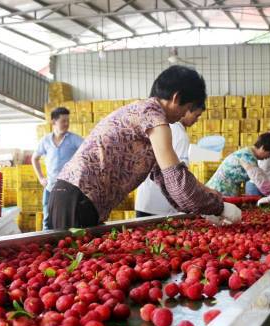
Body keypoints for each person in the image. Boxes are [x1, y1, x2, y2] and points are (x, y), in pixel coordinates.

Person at [48, 65, 241, 229]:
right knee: (71, 264)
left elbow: (167, 181)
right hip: (76, 199)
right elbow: (176, 178)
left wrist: (206, 199)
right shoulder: (154, 117)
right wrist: (219, 207)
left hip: (76, 198)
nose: (183, 115)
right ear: (176, 98)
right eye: (186, 107)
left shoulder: (145, 115)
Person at [134, 102, 204, 217]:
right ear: (186, 110)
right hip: (159, 206)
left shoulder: (163, 127)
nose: (197, 120)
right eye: (196, 115)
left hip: (145, 200)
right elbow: (180, 176)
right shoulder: (181, 136)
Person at [32, 107, 84, 230]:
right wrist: (41, 178)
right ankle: (47, 244)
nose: (67, 124)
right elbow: (35, 158)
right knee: (47, 219)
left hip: (69, 187)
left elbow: (88, 149)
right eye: (63, 121)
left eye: (68, 121)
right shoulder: (45, 141)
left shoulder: (74, 139)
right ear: (54, 122)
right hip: (50, 187)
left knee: (69, 218)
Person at [205, 133, 270, 196]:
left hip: (223, 190)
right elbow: (259, 179)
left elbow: (260, 174)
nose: (268, 157)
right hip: (219, 190)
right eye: (269, 153)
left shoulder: (248, 154)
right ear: (263, 148)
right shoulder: (247, 156)